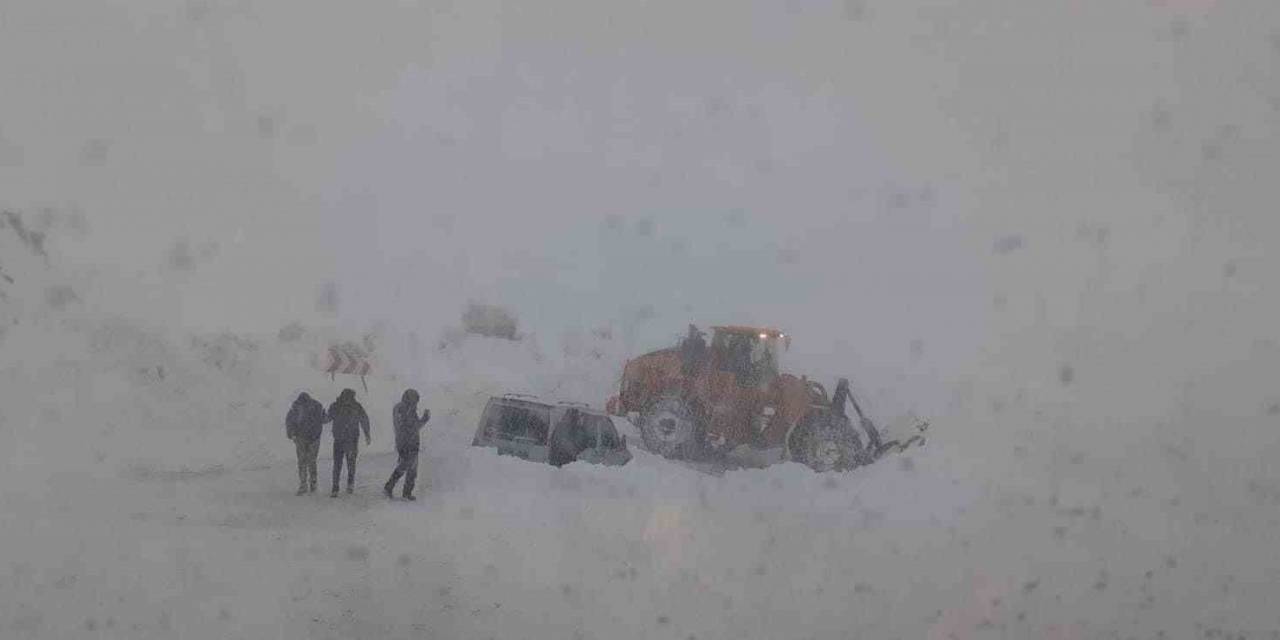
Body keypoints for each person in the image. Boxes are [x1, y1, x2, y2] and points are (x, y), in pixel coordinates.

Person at [384, 389, 430, 500]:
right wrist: (423, 420)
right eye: (415, 400)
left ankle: (406, 492)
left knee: (411, 468)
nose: (416, 403)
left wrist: (423, 419)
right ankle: (390, 487)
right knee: (405, 466)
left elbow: (415, 427)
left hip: (412, 442)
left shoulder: (410, 409)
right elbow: (405, 427)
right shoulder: (400, 408)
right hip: (405, 443)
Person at [327, 388, 370, 497]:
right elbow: (364, 419)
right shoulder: (356, 406)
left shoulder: (336, 406)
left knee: (338, 464)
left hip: (340, 439)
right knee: (350, 463)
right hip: (351, 439)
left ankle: (335, 488)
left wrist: (320, 416)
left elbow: (327, 418)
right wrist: (367, 434)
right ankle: (349, 485)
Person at [285, 392, 328, 495]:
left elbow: (289, 421)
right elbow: (324, 420)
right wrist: (325, 414)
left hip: (300, 438)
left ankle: (303, 485)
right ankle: (313, 484)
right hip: (314, 438)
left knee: (302, 462)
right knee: (312, 461)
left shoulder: (296, 407)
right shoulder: (317, 406)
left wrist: (291, 434)